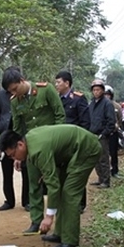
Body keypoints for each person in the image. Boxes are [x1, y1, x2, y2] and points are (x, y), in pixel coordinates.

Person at [0, 125, 101, 247]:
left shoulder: (38, 150)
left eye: (13, 155)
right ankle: (60, 233)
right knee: (63, 188)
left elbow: (53, 185)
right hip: (70, 153)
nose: (15, 159)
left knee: (69, 193)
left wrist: (49, 217)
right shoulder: (30, 139)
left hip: (86, 149)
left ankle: (70, 241)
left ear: (20, 144)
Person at [2, 66, 65, 234]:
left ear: (22, 80)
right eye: (11, 91)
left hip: (52, 147)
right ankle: (36, 221)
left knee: (54, 182)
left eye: (16, 88)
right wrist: (16, 155)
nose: (16, 93)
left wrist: (57, 141)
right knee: (33, 185)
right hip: (30, 149)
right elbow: (16, 128)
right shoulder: (15, 101)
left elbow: (60, 115)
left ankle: (58, 222)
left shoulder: (46, 90)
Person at [53, 69, 90, 219]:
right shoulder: (56, 100)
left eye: (58, 82)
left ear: (67, 83)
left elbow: (85, 122)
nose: (56, 85)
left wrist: (80, 141)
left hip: (75, 142)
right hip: (61, 143)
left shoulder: (78, 99)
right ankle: (65, 202)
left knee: (76, 172)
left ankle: (80, 204)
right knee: (63, 172)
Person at [0, 87, 28, 211]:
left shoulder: (22, 93)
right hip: (6, 137)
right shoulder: (0, 95)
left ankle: (27, 201)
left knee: (25, 170)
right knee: (6, 172)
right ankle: (9, 201)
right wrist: (0, 125)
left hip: (20, 137)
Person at [88, 79, 115, 188]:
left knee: (103, 159)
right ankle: (100, 178)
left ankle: (106, 181)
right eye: (94, 90)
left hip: (102, 135)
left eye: (98, 90)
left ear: (102, 90)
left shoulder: (107, 104)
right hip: (92, 134)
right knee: (95, 159)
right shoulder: (92, 103)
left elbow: (111, 121)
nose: (96, 92)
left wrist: (104, 134)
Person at [104, 85, 124, 179]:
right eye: (105, 95)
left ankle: (115, 171)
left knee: (113, 153)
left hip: (113, 133)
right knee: (103, 154)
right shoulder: (99, 106)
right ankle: (104, 173)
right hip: (103, 133)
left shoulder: (117, 106)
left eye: (108, 95)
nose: (106, 96)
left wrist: (116, 127)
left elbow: (120, 119)